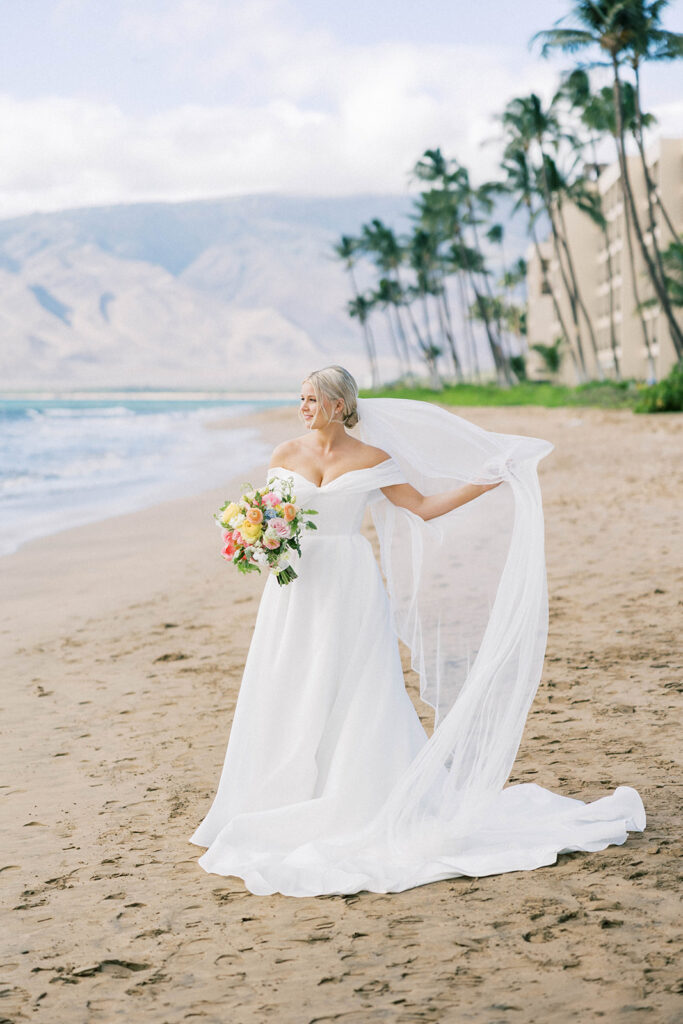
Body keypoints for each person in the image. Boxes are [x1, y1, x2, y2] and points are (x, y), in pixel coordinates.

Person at [190, 366, 645, 897]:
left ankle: (354, 790)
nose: (303, 408)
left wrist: (487, 481)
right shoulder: (285, 455)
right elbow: (270, 515)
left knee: (358, 687)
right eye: (301, 399)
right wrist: (257, 540)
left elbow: (424, 509)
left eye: (312, 399)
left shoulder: (374, 460)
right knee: (290, 680)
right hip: (296, 588)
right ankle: (279, 790)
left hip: (350, 584)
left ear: (340, 405)